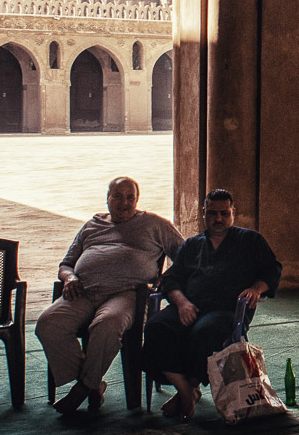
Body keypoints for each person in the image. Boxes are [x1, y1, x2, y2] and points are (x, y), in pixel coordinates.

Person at [35, 176, 183, 414]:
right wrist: (70, 278)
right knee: (47, 324)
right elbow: (66, 264)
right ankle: (94, 384)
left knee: (106, 325)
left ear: (137, 200)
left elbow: (187, 256)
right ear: (107, 199)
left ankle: (83, 388)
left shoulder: (155, 224)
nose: (124, 203)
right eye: (117, 196)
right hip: (83, 291)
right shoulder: (92, 225)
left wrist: (164, 280)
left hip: (127, 294)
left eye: (130, 197)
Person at [142, 188, 282, 419]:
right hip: (190, 306)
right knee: (156, 327)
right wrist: (182, 303)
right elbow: (172, 279)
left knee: (206, 332)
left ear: (233, 213)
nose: (218, 219)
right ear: (203, 213)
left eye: (224, 214)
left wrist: (256, 288)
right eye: (212, 213)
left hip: (227, 310)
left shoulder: (250, 241)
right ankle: (186, 390)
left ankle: (189, 390)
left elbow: (273, 269)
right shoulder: (193, 245)